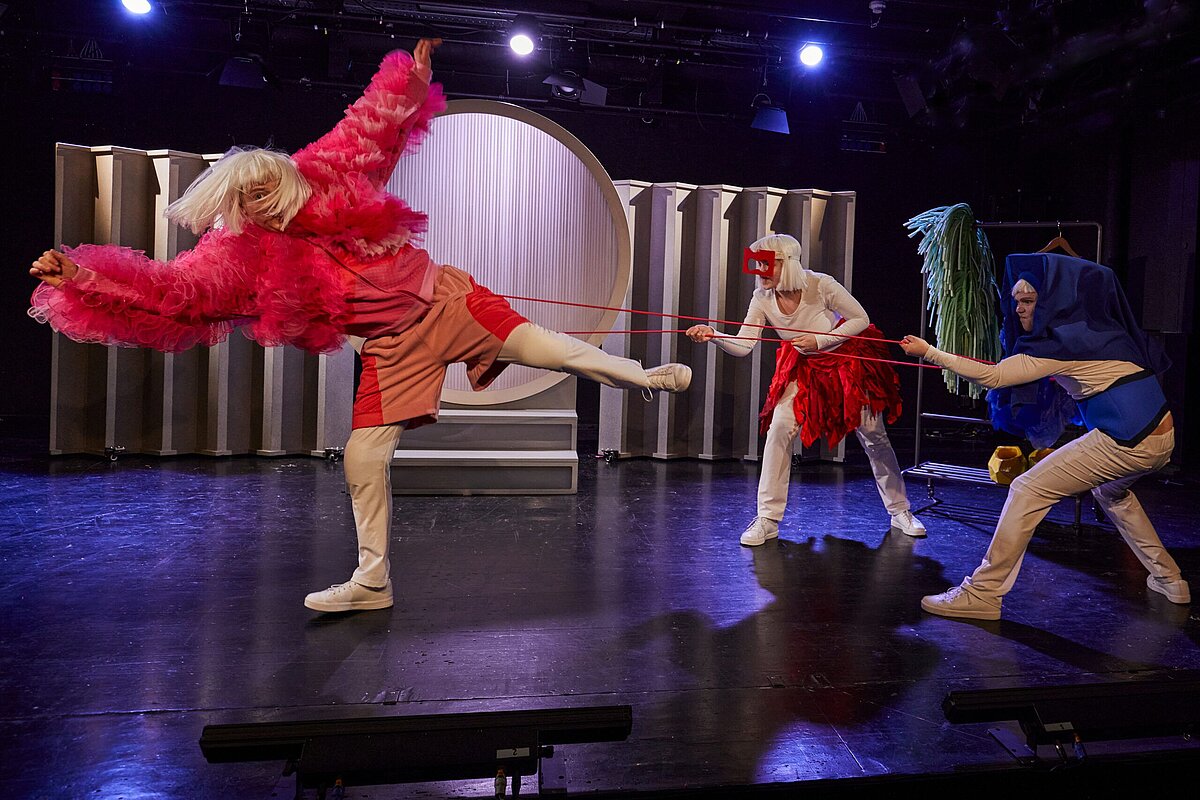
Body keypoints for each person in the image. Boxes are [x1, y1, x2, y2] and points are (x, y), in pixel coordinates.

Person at [28, 38, 691, 613]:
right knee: (363, 455)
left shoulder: (328, 174)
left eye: (265, 187)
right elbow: (173, 294)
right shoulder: (238, 258)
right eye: (246, 197)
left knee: (548, 348)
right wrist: (82, 276)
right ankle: (373, 581)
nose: (260, 202)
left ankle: (644, 377)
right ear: (235, 205)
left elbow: (373, 128)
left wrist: (413, 77)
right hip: (393, 347)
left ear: (283, 179)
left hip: (447, 300)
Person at [900, 252, 1190, 619]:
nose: (1019, 309)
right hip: (1161, 436)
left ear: (1051, 302)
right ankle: (1170, 579)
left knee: (1027, 488)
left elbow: (995, 377)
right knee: (1111, 493)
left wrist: (929, 352)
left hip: (1127, 441)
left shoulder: (1061, 346)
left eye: (1028, 301)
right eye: (1017, 301)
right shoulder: (1093, 329)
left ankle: (983, 594)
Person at [686, 234, 924, 546]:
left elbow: (860, 319)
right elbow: (745, 345)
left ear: (786, 264)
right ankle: (767, 518)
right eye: (757, 263)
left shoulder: (821, 285)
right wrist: (714, 335)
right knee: (779, 429)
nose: (760, 271)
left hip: (846, 364)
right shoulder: (762, 298)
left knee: (873, 434)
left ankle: (900, 510)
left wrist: (821, 340)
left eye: (766, 264)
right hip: (805, 368)